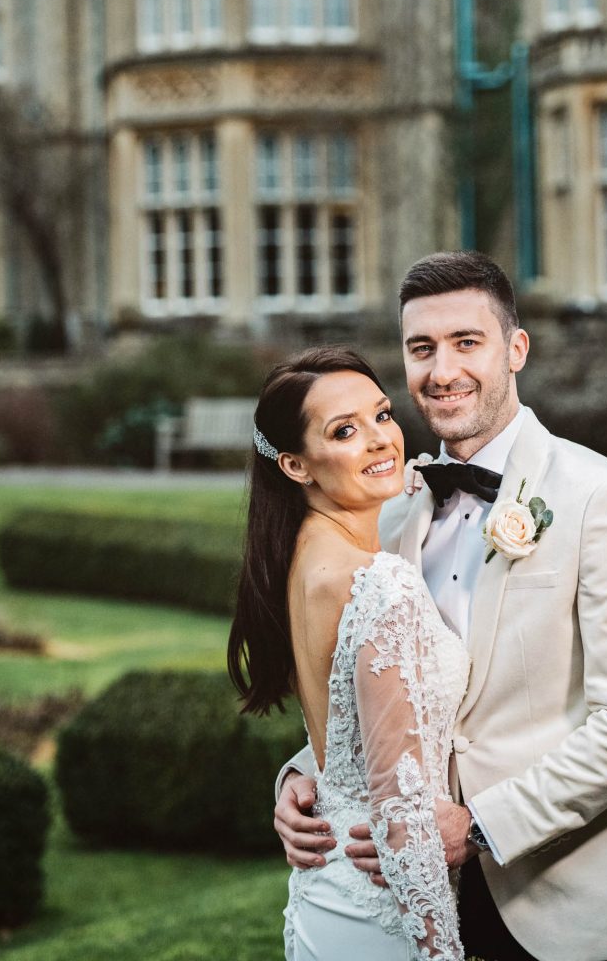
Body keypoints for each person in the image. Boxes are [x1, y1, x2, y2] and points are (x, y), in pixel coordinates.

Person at [274, 252, 607, 961]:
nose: (442, 371)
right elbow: (399, 688)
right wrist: (306, 777)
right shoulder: (395, 508)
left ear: (516, 349)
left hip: (573, 898)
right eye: (421, 348)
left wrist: (475, 826)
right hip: (429, 894)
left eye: (466, 342)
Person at [228, 347, 469, 960]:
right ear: (295, 464)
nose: (380, 439)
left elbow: (341, 731)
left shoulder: (297, 559)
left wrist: (296, 776)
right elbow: (400, 803)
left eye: (382, 415)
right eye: (344, 431)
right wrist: (439, 950)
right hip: (381, 909)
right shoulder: (379, 582)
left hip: (323, 897)